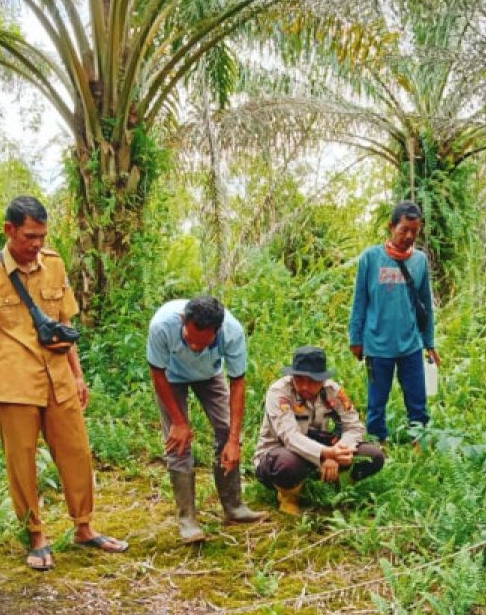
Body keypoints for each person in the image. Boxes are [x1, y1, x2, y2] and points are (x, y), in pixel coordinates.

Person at [0, 196, 128, 570]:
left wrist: (78, 373)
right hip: (14, 381)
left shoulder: (54, 264)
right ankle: (36, 535)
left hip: (59, 377)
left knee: (77, 452)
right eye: (29, 236)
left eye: (41, 235)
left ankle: (84, 527)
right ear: (9, 231)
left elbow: (63, 324)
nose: (36, 244)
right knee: (21, 461)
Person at [147, 296, 268, 544]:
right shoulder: (162, 326)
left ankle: (234, 507)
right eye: (190, 340)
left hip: (210, 375)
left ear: (218, 331)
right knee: (177, 442)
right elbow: (157, 373)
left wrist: (234, 440)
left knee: (227, 432)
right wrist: (179, 422)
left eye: (203, 343)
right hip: (170, 377)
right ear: (183, 321)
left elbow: (238, 383)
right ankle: (187, 519)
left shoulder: (232, 332)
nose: (195, 347)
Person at [348, 200, 442, 442]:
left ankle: (418, 441)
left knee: (417, 401)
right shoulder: (370, 258)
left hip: (410, 344)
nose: (409, 236)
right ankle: (378, 444)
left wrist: (429, 342)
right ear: (391, 227)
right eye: (404, 230)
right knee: (376, 403)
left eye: (415, 231)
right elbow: (360, 301)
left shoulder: (419, 261)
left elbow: (425, 306)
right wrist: (356, 338)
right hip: (378, 346)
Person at [254, 346, 385, 515]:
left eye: (312, 380)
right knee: (288, 464)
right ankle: (288, 496)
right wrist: (326, 454)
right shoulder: (279, 393)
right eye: (299, 379)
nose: (305, 386)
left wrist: (340, 452)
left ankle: (340, 487)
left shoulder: (333, 391)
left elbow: (354, 426)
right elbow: (290, 437)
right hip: (280, 453)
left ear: (323, 379)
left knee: (373, 455)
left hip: (322, 450)